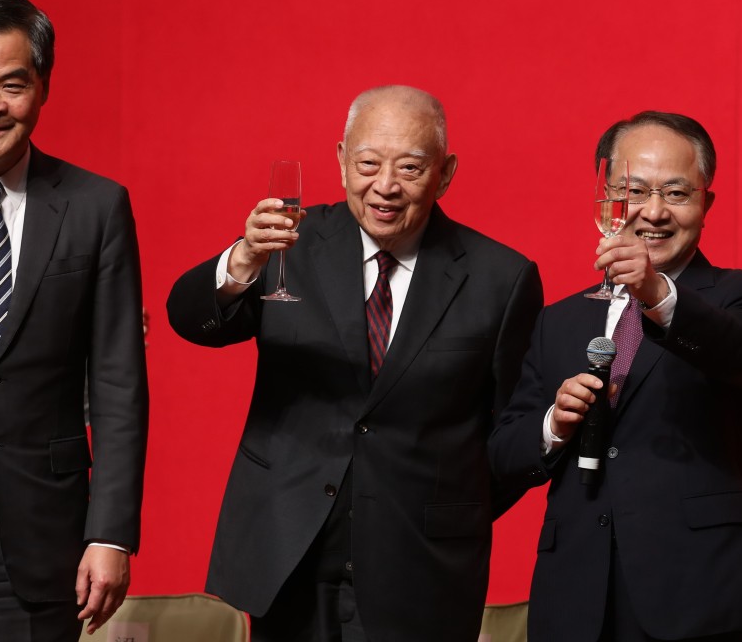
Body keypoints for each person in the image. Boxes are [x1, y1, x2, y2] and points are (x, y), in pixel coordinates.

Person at [166, 85, 543, 642]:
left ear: (445, 173)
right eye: (368, 163)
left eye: (410, 167)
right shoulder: (285, 243)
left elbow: (512, 436)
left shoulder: (501, 278)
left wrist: (446, 510)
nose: (385, 186)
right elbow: (188, 317)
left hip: (421, 567)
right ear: (342, 161)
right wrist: (242, 259)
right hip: (288, 550)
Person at [489, 112, 742, 642]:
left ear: (706, 204)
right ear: (605, 200)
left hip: (698, 592)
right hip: (574, 596)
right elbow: (504, 453)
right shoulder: (559, 320)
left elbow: (741, 355)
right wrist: (553, 425)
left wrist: (655, 291)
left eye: (675, 193)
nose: (652, 212)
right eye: (633, 191)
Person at [0, 0, 148, 641]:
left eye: (11, 84)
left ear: (43, 87)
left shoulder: (96, 208)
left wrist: (112, 533)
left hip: (41, 536)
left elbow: (119, 384)